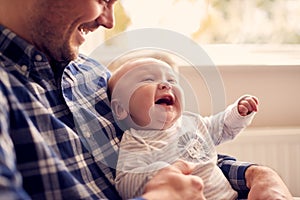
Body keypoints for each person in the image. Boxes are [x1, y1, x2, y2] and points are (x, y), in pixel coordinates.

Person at [0, 0, 293, 199]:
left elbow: (174, 146)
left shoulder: (91, 74)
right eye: (103, 0)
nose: (109, 21)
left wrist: (257, 176)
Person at [108, 53, 258, 199]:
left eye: (172, 80)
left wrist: (237, 113)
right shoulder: (136, 140)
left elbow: (222, 127)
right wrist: (161, 171)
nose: (166, 85)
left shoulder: (192, 122)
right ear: (121, 108)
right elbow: (125, 183)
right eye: (148, 79)